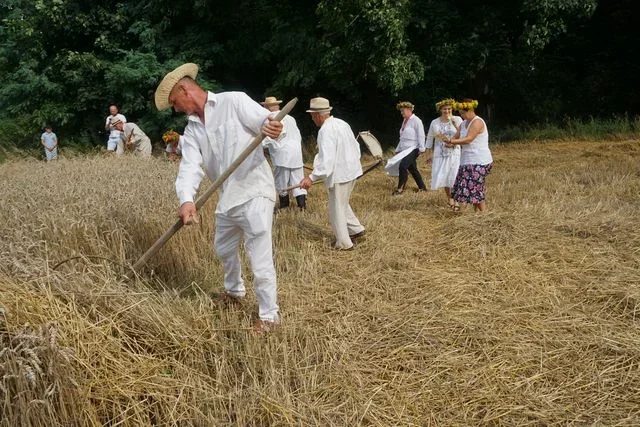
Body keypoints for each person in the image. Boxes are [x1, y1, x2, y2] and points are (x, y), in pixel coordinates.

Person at [154, 63, 283, 332]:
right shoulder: (191, 131)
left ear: (184, 89)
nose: (176, 109)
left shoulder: (232, 102)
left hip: (254, 190)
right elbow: (190, 166)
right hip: (228, 197)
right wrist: (186, 200)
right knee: (223, 248)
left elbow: (266, 122)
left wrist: (272, 128)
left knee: (259, 255)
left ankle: (269, 316)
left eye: (175, 102)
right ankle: (235, 292)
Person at [299, 97, 366, 250]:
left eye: (312, 115)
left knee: (336, 209)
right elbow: (356, 147)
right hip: (351, 171)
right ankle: (356, 229)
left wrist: (311, 177)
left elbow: (326, 160)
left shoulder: (325, 131)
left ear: (317, 115)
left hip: (339, 175)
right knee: (342, 203)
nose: (311, 118)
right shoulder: (342, 124)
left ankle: (344, 243)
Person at [445, 99, 493, 212]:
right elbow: (456, 137)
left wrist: (452, 142)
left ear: (470, 110)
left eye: (463, 113)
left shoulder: (477, 122)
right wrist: (448, 142)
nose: (461, 115)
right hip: (467, 161)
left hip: (479, 161)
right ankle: (477, 214)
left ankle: (484, 214)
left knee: (475, 188)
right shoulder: (463, 124)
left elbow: (468, 139)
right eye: (460, 113)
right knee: (472, 189)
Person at [260, 96, 307, 211]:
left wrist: (260, 145)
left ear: (267, 107)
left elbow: (270, 138)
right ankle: (302, 207)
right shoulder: (291, 118)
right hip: (296, 154)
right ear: (277, 105)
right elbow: (298, 136)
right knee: (298, 180)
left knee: (281, 182)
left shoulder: (269, 119)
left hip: (281, 156)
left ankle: (284, 207)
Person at [425, 98, 463, 208]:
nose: (447, 111)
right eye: (445, 109)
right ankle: (450, 198)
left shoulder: (458, 119)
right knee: (445, 177)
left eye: (449, 109)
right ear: (440, 110)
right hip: (440, 153)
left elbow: (464, 134)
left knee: (454, 176)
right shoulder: (435, 122)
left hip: (455, 152)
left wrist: (456, 125)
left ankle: (456, 201)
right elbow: (429, 139)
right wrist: (428, 154)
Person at [384, 101, 427, 195]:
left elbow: (421, 135)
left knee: (403, 166)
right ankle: (422, 187)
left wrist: (422, 148)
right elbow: (402, 137)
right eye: (401, 111)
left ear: (409, 110)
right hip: (404, 149)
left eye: (403, 111)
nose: (401, 113)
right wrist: (398, 149)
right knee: (412, 168)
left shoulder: (416, 120)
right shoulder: (405, 121)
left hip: (413, 148)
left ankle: (400, 189)